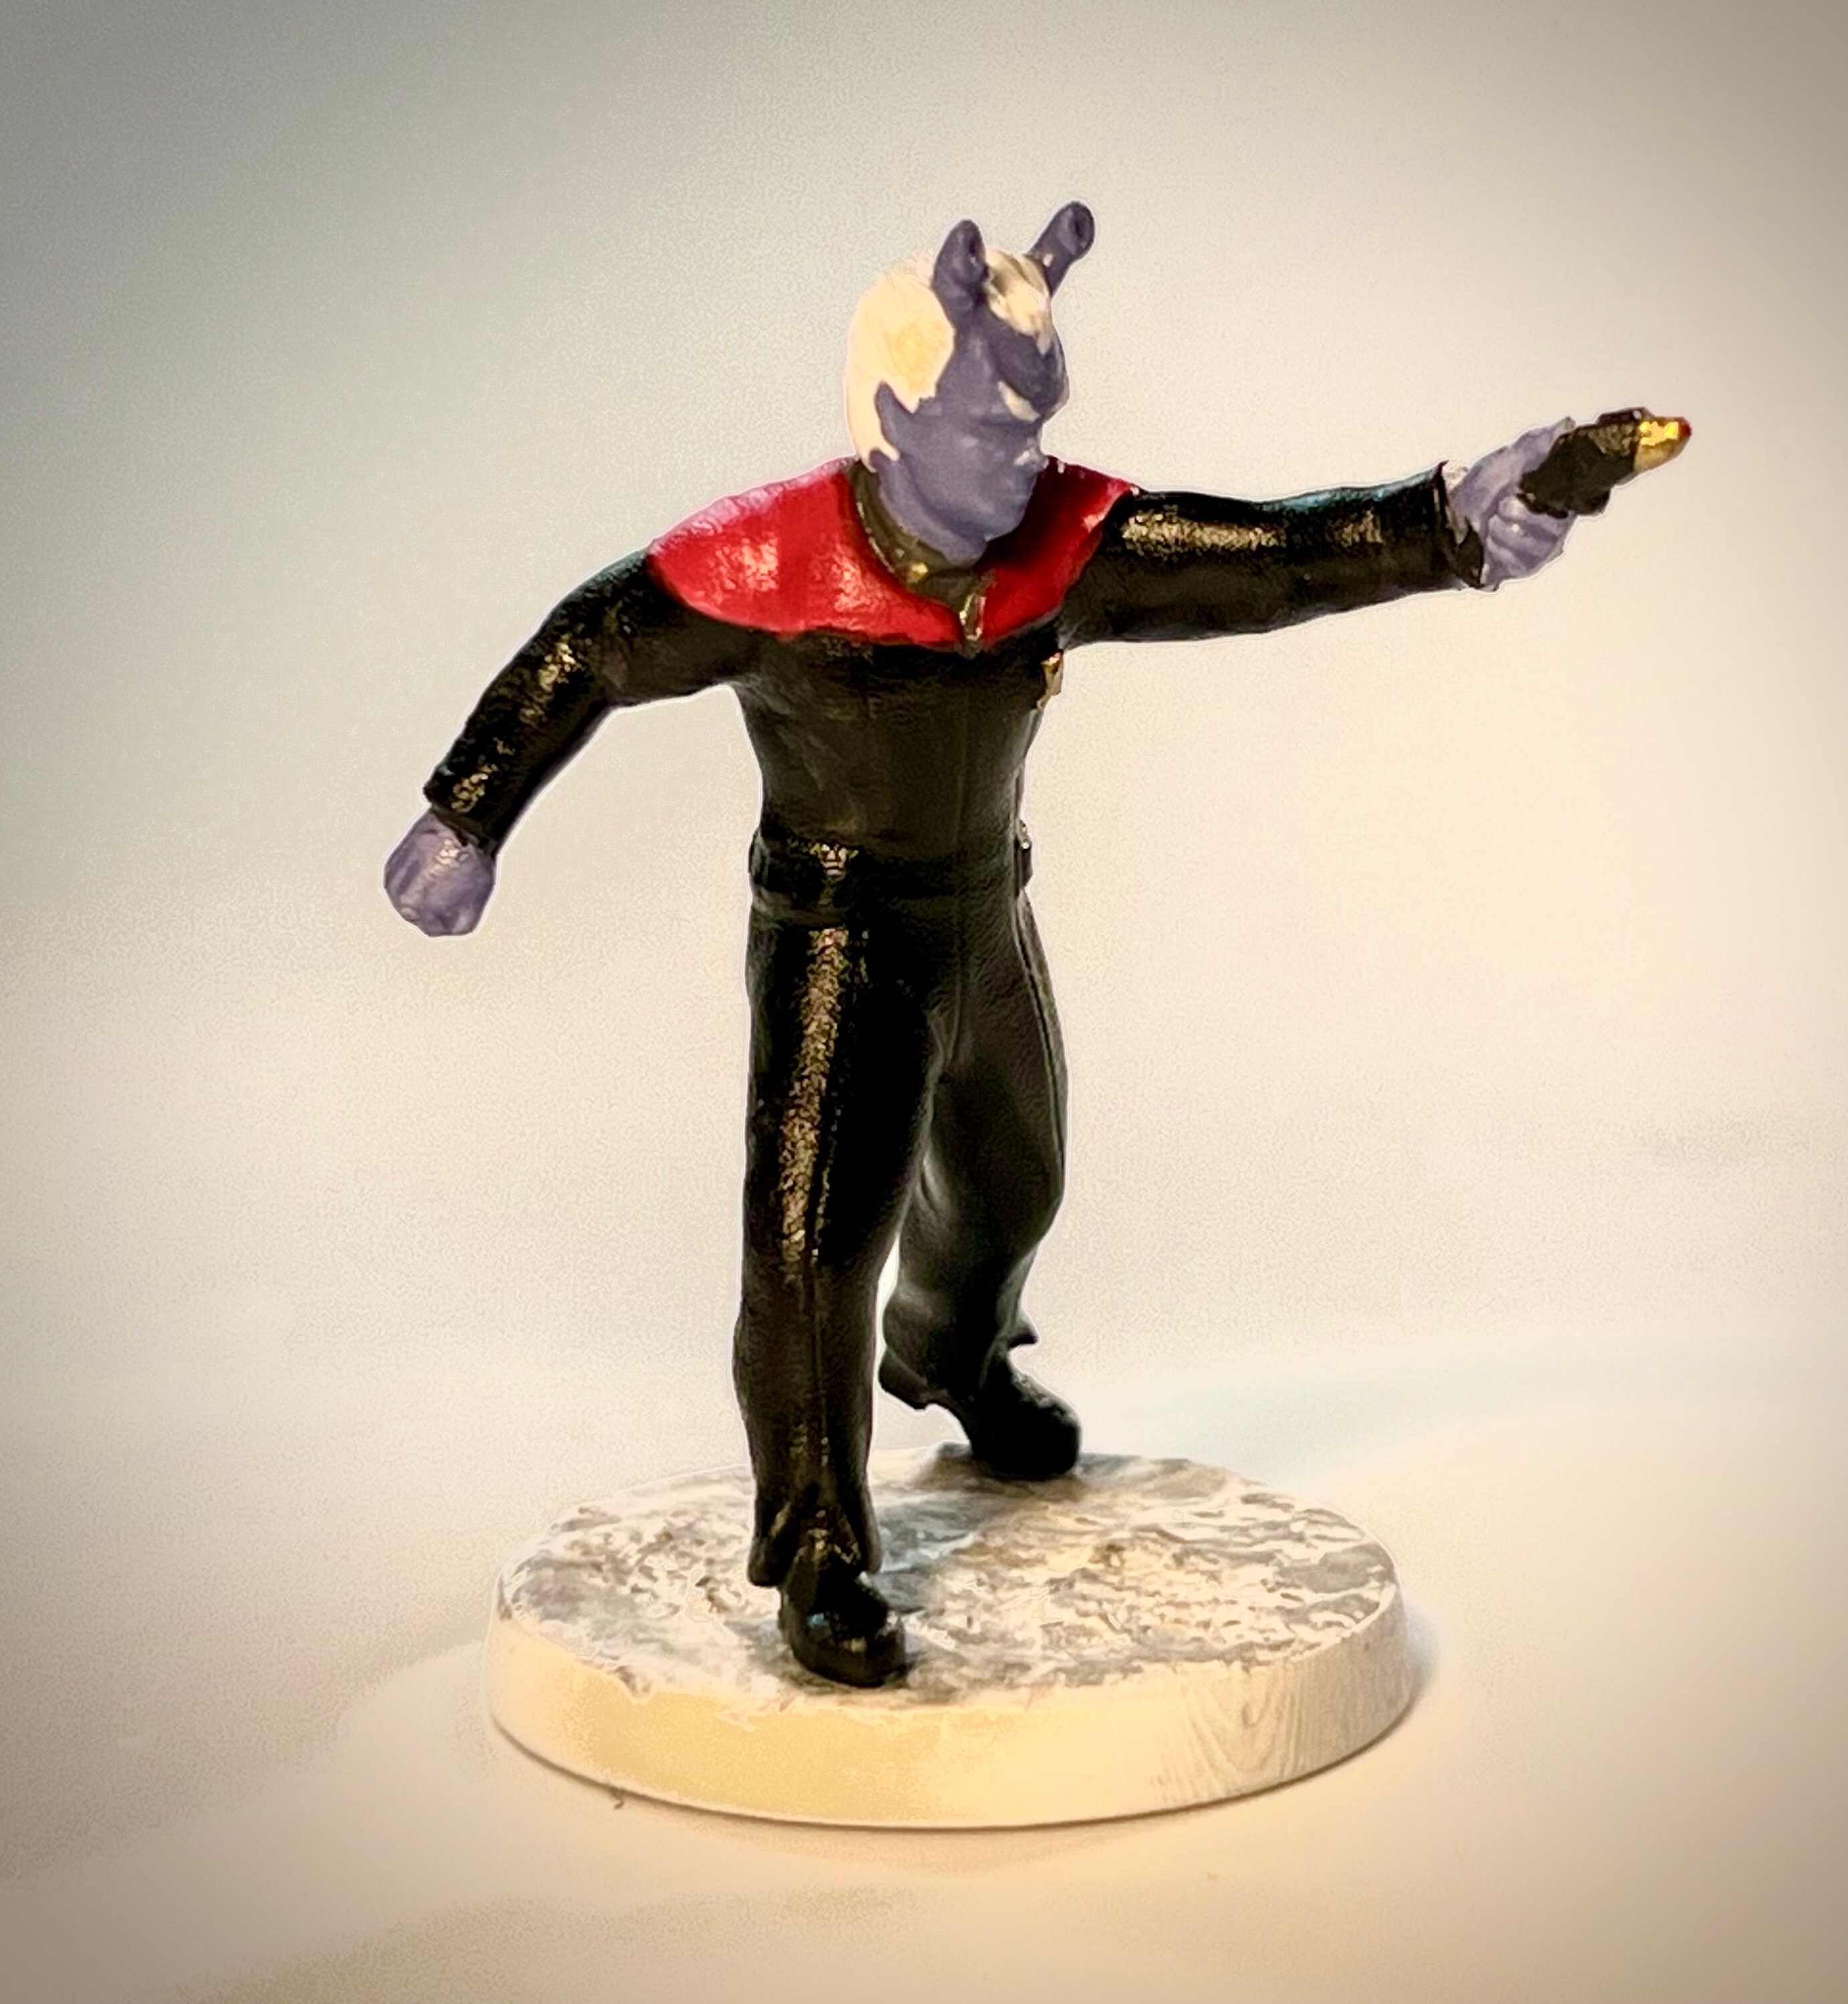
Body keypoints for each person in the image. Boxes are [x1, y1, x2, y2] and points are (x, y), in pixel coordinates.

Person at [386, 202, 1650, 1685]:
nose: (1021, 467)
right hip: (840, 938)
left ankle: (954, 1354)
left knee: (1014, 1181)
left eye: (1034, 429)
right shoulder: (763, 561)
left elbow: (1272, 558)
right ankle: (817, 1543)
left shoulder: (1064, 542)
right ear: (886, 417)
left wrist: (1448, 522)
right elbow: (582, 648)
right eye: (989, 434)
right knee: (812, 1248)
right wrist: (465, 813)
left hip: (987, 913)